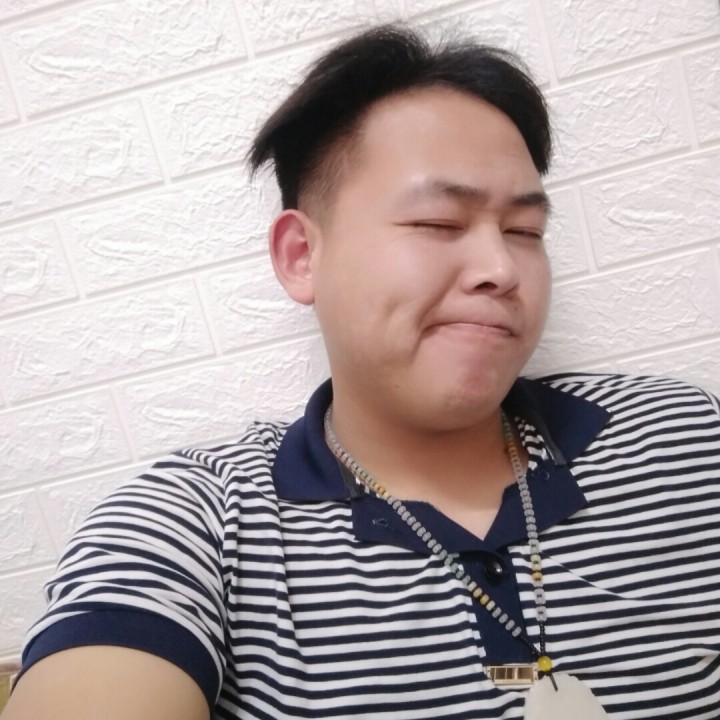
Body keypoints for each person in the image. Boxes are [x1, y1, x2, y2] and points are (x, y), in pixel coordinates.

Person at [3, 24, 720, 720]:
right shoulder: (202, 523)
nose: (502, 268)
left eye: (524, 231)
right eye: (438, 223)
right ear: (301, 257)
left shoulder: (682, 437)